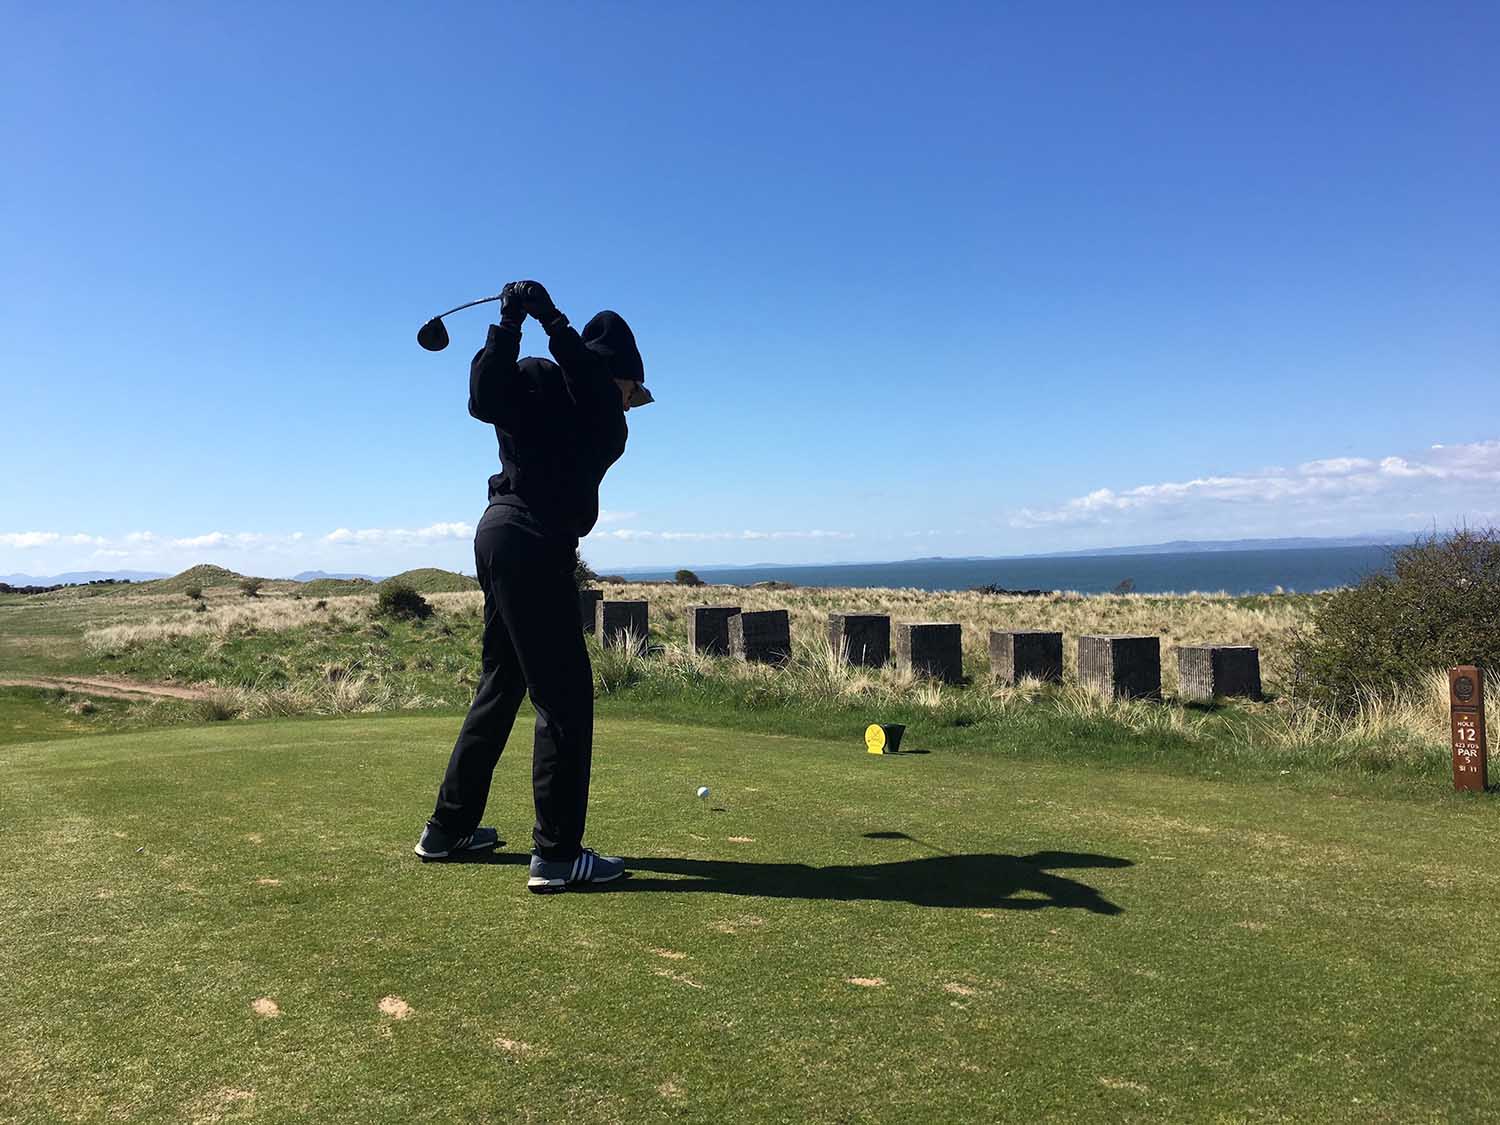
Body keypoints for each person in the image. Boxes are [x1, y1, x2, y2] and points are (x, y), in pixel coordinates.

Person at [413, 280, 653, 893]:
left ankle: (449, 828)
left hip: (496, 538)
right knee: (565, 699)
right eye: (632, 389)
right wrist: (516, 322)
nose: (631, 404)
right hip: (533, 543)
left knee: (503, 683)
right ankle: (557, 855)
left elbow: (509, 393)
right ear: (617, 376)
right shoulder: (576, 392)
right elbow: (483, 396)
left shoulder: (587, 411)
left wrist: (535, 322)